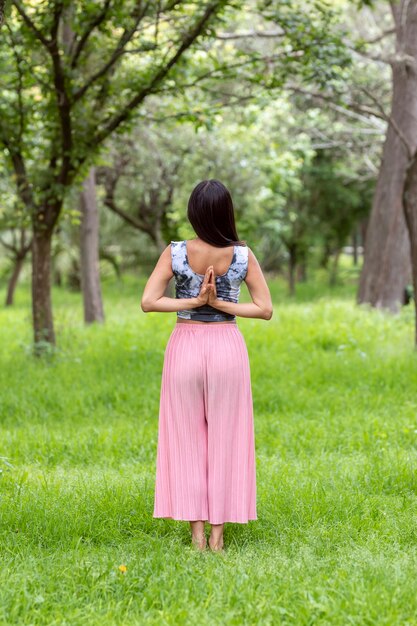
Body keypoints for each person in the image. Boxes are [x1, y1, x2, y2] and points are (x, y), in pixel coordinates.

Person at [141, 179, 273, 552]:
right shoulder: (243, 255)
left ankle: (196, 537)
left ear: (194, 213)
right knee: (227, 440)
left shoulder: (177, 252)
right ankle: (218, 538)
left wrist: (195, 302)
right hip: (227, 349)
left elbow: (149, 302)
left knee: (186, 440)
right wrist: (221, 304)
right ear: (227, 212)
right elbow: (264, 309)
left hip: (185, 346)